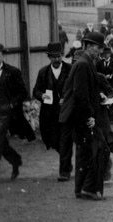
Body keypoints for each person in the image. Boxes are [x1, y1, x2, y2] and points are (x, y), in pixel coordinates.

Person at [59, 32, 108, 200]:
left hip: (80, 115)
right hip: (82, 116)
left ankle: (80, 188)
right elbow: (80, 94)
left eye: (101, 48)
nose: (100, 51)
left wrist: (99, 96)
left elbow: (85, 90)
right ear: (87, 46)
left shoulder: (86, 63)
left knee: (84, 152)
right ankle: (89, 188)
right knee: (99, 148)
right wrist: (90, 116)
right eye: (98, 47)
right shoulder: (83, 65)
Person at [0, 43, 31, 185]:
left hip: (7, 114)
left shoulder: (12, 72)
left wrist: (11, 105)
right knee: (1, 143)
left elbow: (23, 93)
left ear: (3, 56)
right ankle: (16, 160)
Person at [33, 42, 73, 181]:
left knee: (65, 141)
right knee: (52, 140)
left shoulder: (70, 69)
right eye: (54, 57)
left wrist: (67, 99)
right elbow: (36, 90)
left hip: (66, 112)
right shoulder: (43, 72)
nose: (57, 59)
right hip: (49, 114)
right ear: (49, 57)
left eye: (59, 56)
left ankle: (64, 171)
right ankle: (66, 161)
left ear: (62, 55)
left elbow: (75, 88)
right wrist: (41, 96)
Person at [96, 47, 113, 124]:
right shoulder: (100, 62)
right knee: (104, 100)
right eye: (105, 54)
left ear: (110, 54)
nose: (106, 55)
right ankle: (106, 117)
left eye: (107, 54)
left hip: (112, 84)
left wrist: (110, 76)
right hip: (102, 84)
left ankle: (112, 118)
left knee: (112, 100)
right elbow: (97, 72)